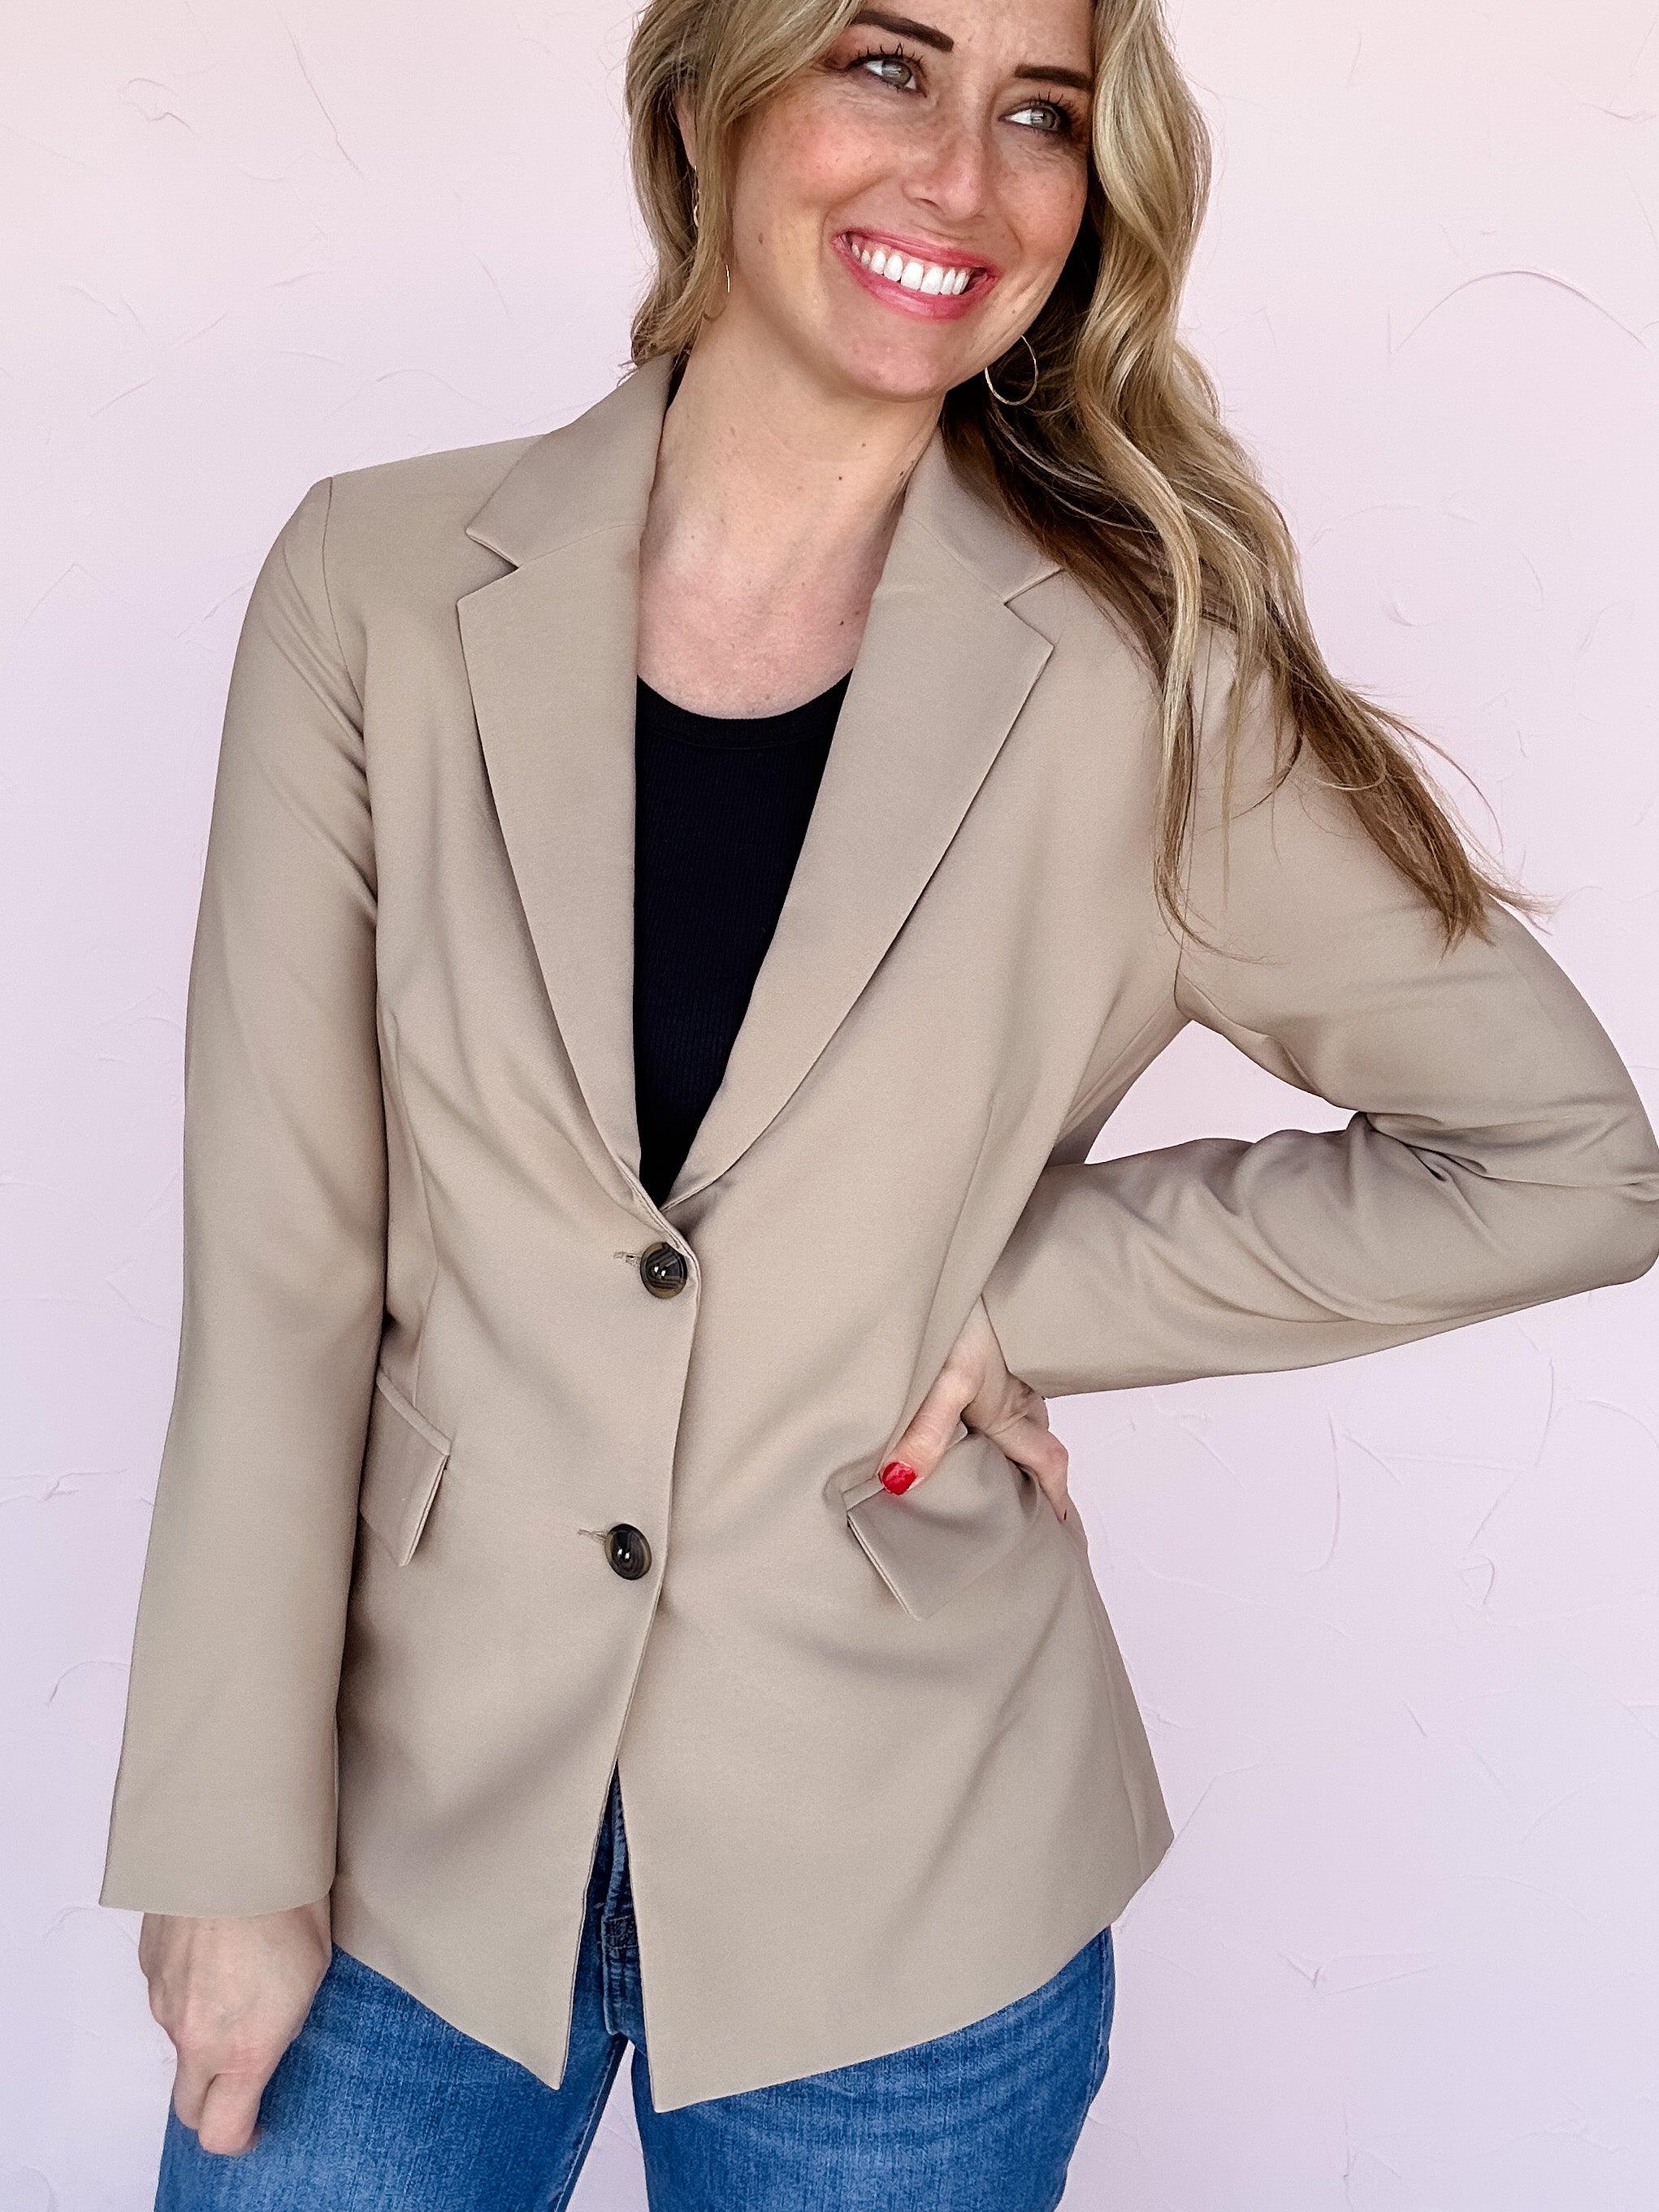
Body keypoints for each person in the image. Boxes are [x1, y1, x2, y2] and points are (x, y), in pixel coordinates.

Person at [100, 1, 1659, 2205]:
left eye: (1040, 113)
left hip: (910, 1891)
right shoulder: (375, 586)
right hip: (392, 1842)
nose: (961, 176)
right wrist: (228, 1844)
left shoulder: (1144, 680)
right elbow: (279, 1264)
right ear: (706, 98)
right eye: (884, 65)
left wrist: (1013, 1299)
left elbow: (1567, 1160)